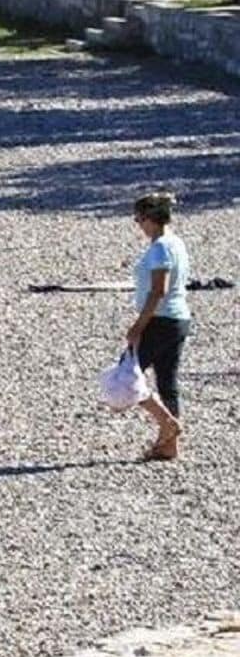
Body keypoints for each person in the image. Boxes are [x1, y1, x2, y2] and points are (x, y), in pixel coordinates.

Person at [127, 191, 191, 461]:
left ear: (150, 219)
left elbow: (158, 291)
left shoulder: (160, 248)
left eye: (138, 220)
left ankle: (168, 424)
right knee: (167, 381)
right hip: (179, 319)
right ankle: (168, 445)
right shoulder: (176, 242)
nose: (139, 226)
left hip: (160, 321)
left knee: (126, 377)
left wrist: (138, 325)